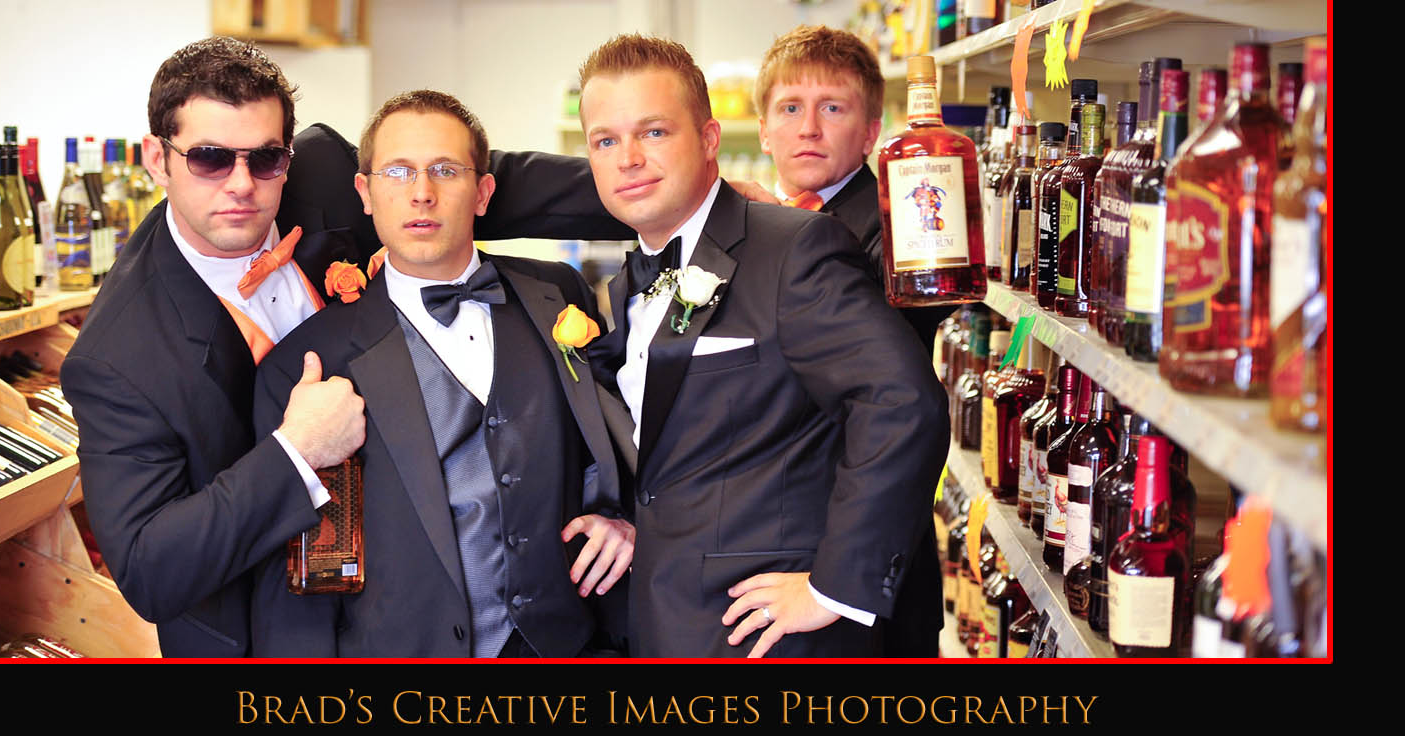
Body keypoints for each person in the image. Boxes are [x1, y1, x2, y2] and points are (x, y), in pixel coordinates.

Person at [60, 36, 630, 658]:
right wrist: (297, 451)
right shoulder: (118, 355)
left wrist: (672, 193)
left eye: (266, 158)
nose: (242, 184)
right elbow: (151, 569)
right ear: (157, 158)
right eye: (210, 159)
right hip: (253, 620)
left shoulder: (329, 172)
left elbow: (481, 177)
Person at [576, 34, 948, 657]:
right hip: (661, 626)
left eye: (654, 132)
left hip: (771, 637)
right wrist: (625, 517)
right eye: (605, 142)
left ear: (710, 140)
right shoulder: (625, 285)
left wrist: (835, 588)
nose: (629, 159)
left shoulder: (795, 248)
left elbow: (903, 402)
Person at [250, 90, 636, 657]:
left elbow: (622, 436)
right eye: (398, 171)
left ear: (483, 193)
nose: (422, 192)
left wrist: (622, 517)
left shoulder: (559, 295)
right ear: (365, 193)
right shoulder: (305, 364)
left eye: (446, 170)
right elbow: (298, 590)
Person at [753, 23, 956, 656]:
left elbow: (894, 367)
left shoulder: (907, 220)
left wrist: (782, 231)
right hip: (770, 547)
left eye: (832, 108)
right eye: (790, 108)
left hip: (863, 567)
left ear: (871, 133)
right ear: (763, 130)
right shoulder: (752, 227)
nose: (808, 128)